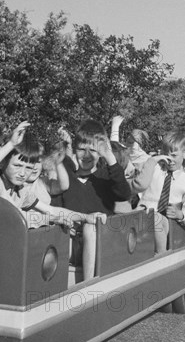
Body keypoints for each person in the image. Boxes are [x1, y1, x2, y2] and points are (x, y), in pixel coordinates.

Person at [54, 119, 131, 280]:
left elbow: (124, 193)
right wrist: (65, 221)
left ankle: (89, 284)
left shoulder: (105, 177)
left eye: (93, 151)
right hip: (71, 243)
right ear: (75, 150)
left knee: (90, 227)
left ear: (100, 153)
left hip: (100, 244)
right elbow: (56, 207)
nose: (87, 155)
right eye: (81, 149)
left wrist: (110, 157)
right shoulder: (67, 178)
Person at [0, 132, 106, 230]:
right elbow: (16, 217)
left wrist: (86, 217)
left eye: (29, 168)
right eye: (17, 165)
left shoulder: (22, 191)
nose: (22, 173)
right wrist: (51, 219)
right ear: (2, 161)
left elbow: (52, 210)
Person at [132, 130, 185, 253]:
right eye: (165, 155)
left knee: (156, 218)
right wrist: (155, 158)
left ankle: (160, 255)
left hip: (165, 223)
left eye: (173, 155)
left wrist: (180, 214)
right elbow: (134, 155)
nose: (169, 159)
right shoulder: (154, 168)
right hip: (142, 218)